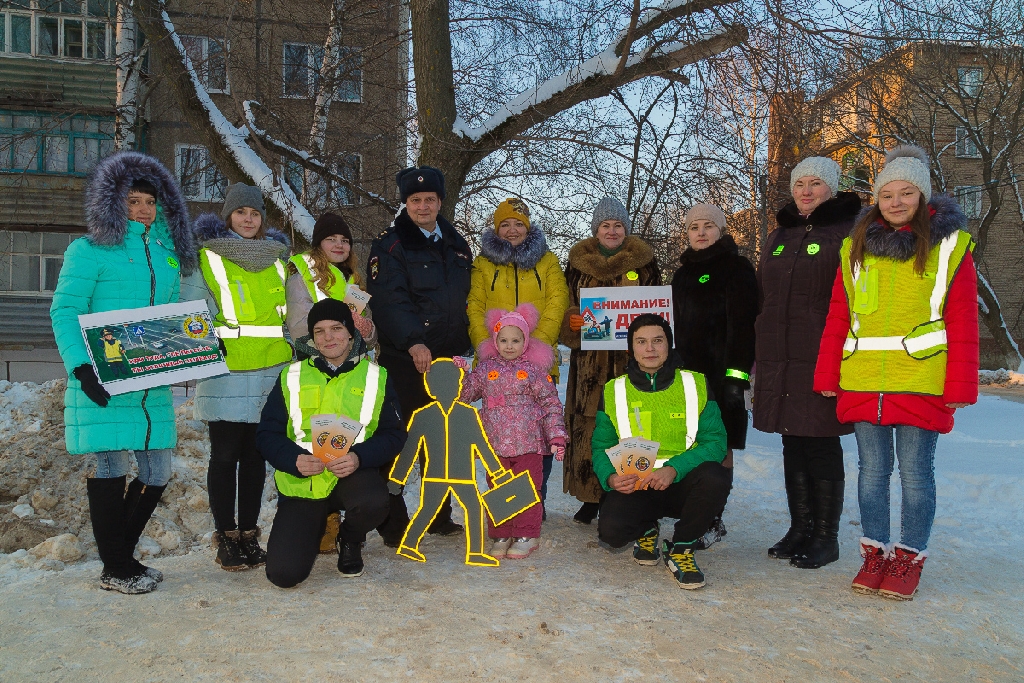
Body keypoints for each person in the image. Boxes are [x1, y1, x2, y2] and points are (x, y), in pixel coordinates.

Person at [814, 146, 978, 600]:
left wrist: (961, 384)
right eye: (887, 194)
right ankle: (875, 554)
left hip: (920, 381)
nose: (896, 202)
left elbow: (963, 318)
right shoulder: (855, 247)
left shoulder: (949, 247)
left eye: (906, 193)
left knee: (916, 475)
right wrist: (828, 374)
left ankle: (908, 557)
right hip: (864, 378)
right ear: (877, 199)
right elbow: (839, 314)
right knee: (871, 473)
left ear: (923, 196)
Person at [50, 151, 195, 594]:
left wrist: (197, 344)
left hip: (151, 383)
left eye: (150, 202)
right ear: (113, 202)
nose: (143, 210)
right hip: (104, 378)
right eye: (133, 201)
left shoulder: (168, 255)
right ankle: (116, 567)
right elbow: (65, 310)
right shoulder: (89, 250)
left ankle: (120, 559)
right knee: (112, 466)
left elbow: (172, 317)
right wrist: (80, 367)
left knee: (157, 471)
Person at [755, 157, 862, 569]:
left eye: (815, 183)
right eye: (800, 183)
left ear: (831, 188)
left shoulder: (848, 232)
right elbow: (764, 294)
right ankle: (800, 528)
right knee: (792, 440)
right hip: (779, 354)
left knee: (820, 440)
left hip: (822, 354)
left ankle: (825, 537)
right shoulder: (779, 234)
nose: (805, 191)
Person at [180, 183, 292, 571]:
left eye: (255, 213)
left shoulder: (279, 260)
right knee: (226, 456)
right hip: (226, 370)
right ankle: (226, 537)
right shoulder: (207, 257)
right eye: (241, 212)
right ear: (228, 216)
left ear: (263, 218)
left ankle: (248, 534)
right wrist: (207, 346)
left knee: (256, 458)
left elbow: (290, 313)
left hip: (270, 370)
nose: (248, 219)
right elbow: (191, 308)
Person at [257, 299, 405, 587]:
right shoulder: (292, 376)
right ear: (312, 337)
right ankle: (314, 525)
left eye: (336, 328)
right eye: (320, 331)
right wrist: (293, 460)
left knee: (375, 502)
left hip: (350, 476)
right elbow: (266, 434)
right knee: (284, 575)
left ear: (350, 333)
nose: (328, 337)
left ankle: (350, 538)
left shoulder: (377, 377)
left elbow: (394, 434)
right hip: (304, 481)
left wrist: (359, 457)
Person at [366, 166, 474, 542]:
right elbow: (388, 299)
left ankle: (439, 516)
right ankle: (391, 522)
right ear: (406, 203)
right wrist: (413, 341)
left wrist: (470, 344)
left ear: (440, 202)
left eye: (430, 199)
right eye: (416, 200)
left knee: (442, 442)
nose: (423, 206)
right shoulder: (390, 244)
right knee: (401, 442)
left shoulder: (457, 244)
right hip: (406, 358)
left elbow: (466, 299)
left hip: (447, 360)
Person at [593, 314, 730, 589]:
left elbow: (716, 442)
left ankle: (681, 548)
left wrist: (674, 468)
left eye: (658, 340)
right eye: (641, 342)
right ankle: (646, 529)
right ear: (631, 348)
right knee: (611, 533)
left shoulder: (695, 384)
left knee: (716, 476)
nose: (650, 349)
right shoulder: (613, 390)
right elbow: (601, 447)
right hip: (638, 486)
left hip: (684, 484)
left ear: (669, 344)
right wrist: (610, 478)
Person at [559, 197, 660, 524]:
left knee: (630, 425)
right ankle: (591, 496)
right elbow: (566, 304)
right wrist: (572, 322)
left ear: (626, 228)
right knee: (590, 426)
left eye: (618, 225)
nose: (612, 231)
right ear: (596, 229)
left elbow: (657, 309)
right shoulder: (577, 264)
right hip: (590, 363)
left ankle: (627, 497)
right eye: (606, 225)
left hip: (632, 362)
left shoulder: (644, 263)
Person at [466, 197, 569, 506]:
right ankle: (505, 502)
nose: (512, 230)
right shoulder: (483, 263)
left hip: (538, 361)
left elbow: (558, 300)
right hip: (495, 364)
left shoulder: (547, 261)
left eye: (519, 224)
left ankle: (534, 502)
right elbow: (475, 306)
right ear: (496, 228)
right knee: (498, 435)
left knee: (540, 434)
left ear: (528, 227)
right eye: (505, 224)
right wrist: (490, 346)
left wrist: (535, 346)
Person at [670, 203, 757, 549]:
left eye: (708, 226)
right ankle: (693, 512)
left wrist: (737, 378)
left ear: (720, 230)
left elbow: (745, 327)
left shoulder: (737, 268)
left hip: (724, 378)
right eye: (694, 227)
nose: (701, 232)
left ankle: (713, 519)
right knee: (689, 444)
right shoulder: (681, 275)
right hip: (687, 378)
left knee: (720, 445)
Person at [455, 304, 567, 559]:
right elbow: (464, 395)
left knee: (528, 488)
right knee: (498, 488)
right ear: (495, 342)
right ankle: (501, 533)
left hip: (529, 442)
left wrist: (557, 435)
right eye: (503, 340)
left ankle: (526, 534)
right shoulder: (485, 370)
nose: (509, 346)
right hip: (495, 444)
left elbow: (550, 403)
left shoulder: (534, 371)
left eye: (515, 340)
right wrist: (460, 374)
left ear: (525, 341)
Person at [286, 212, 376, 355]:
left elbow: (371, 339)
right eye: (331, 239)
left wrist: (367, 330)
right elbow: (300, 331)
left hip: (355, 362)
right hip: (319, 362)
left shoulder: (353, 279)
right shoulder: (303, 276)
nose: (339, 245)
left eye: (345, 240)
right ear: (319, 244)